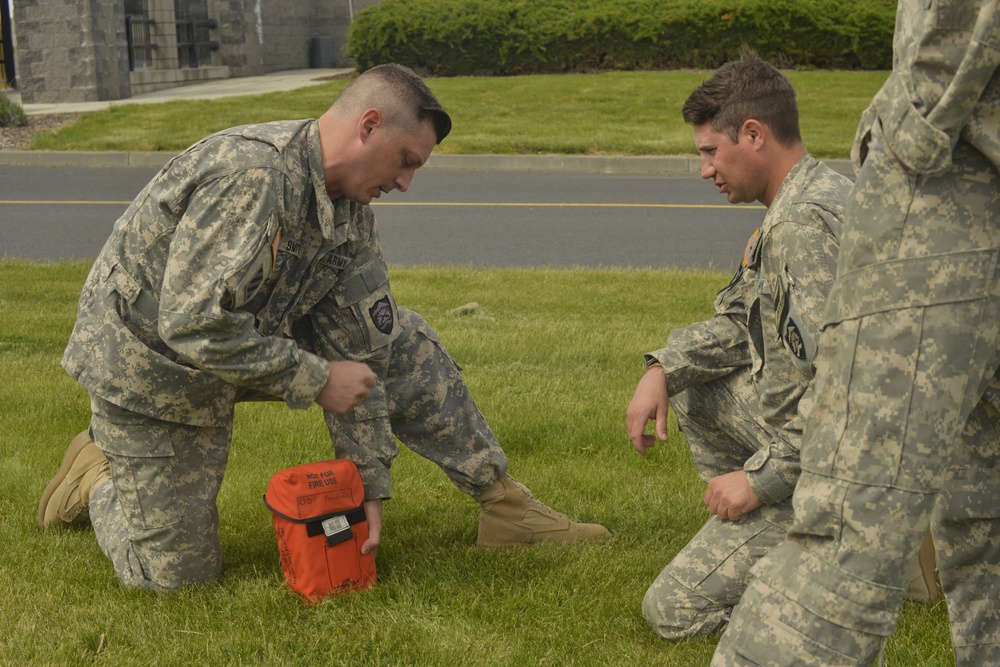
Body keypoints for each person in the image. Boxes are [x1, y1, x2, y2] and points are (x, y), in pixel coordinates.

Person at [37, 63, 609, 592]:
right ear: (368, 125)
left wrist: (368, 487)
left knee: (401, 339)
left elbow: (361, 347)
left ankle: (505, 506)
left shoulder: (351, 210)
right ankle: (97, 478)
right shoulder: (252, 175)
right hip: (153, 371)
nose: (406, 182)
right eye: (406, 160)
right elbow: (191, 323)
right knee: (173, 579)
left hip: (247, 343)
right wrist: (313, 377)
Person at [711, 2, 1000, 665]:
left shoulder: (814, 215)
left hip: (955, 172)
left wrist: (911, 129)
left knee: (851, 507)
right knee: (986, 505)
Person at [626, 53, 938, 641]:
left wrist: (760, 481)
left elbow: (840, 395)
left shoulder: (803, 227)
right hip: (860, 446)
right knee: (700, 389)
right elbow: (743, 323)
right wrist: (663, 368)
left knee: (673, 612)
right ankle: (799, 536)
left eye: (709, 152)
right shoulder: (808, 197)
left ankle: (852, 555)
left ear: (753, 134)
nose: (704, 169)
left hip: (857, 463)